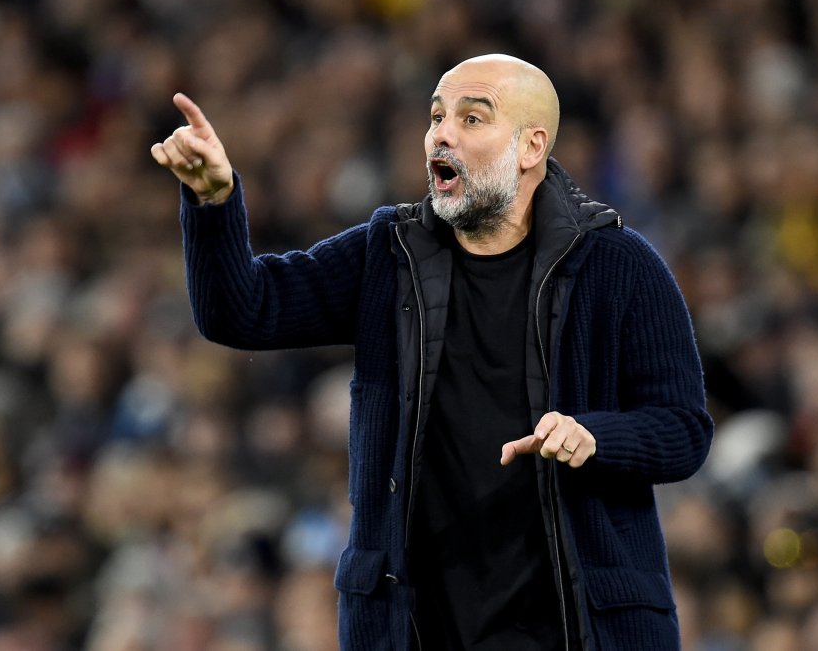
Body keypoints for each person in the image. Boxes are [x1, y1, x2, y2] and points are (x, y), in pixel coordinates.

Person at [151, 54, 713, 651]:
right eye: (437, 117)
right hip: (412, 628)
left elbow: (684, 431)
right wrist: (214, 204)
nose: (441, 133)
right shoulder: (386, 255)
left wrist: (596, 436)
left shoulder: (620, 265)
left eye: (472, 119)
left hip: (576, 627)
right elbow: (243, 310)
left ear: (530, 148)